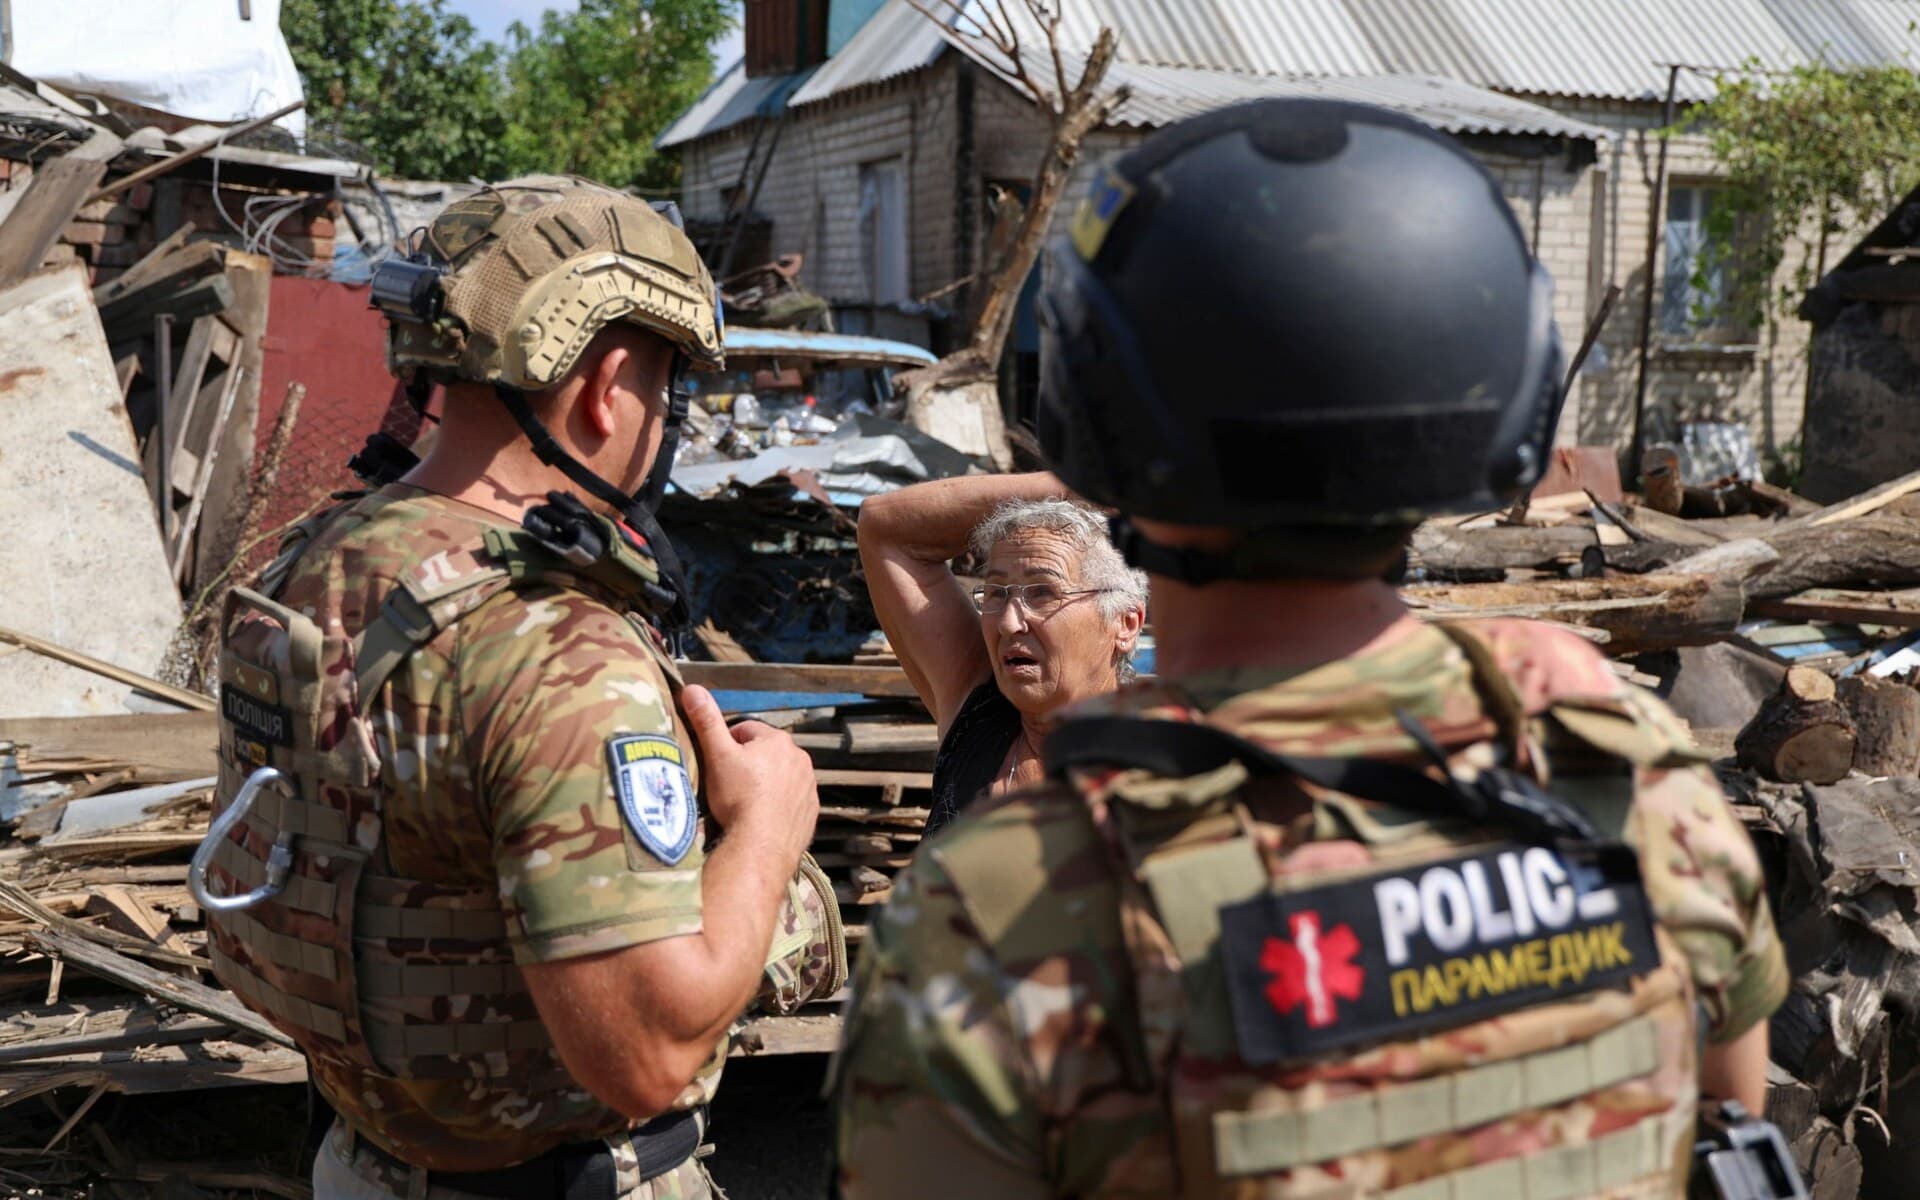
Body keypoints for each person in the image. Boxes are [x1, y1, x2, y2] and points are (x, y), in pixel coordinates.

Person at [831, 100, 1786, 1198]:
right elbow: (1725, 1136)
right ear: (1501, 418)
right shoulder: (1631, 778)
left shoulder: (1009, 905)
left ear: (1102, 434)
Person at [196, 177, 844, 1200]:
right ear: (607, 383)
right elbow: (641, 1052)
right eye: (666, 389)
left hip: (360, 1165)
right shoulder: (555, 648)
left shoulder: (322, 558)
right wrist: (769, 825)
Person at [858, 476, 1145, 834]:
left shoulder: (1163, 767)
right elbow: (882, 526)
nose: (1009, 623)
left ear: (1125, 623)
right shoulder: (979, 716)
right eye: (996, 593)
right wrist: (1080, 487)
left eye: (1043, 593)